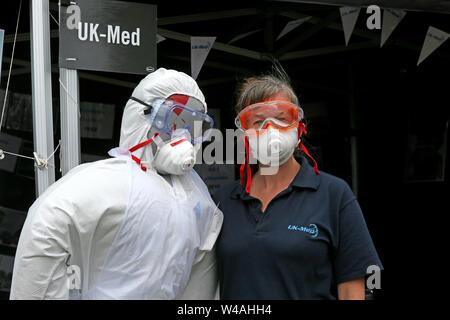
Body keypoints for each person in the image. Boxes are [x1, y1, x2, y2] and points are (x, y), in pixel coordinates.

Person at [10, 68, 223, 300]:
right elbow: (47, 225)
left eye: (193, 125)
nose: (181, 135)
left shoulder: (198, 201)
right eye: (171, 119)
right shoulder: (104, 183)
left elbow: (200, 285)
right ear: (141, 116)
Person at [213, 69, 383, 300]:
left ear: (299, 126)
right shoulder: (223, 200)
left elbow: (353, 288)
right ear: (244, 133)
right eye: (258, 122)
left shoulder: (334, 194)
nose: (270, 130)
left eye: (281, 119)